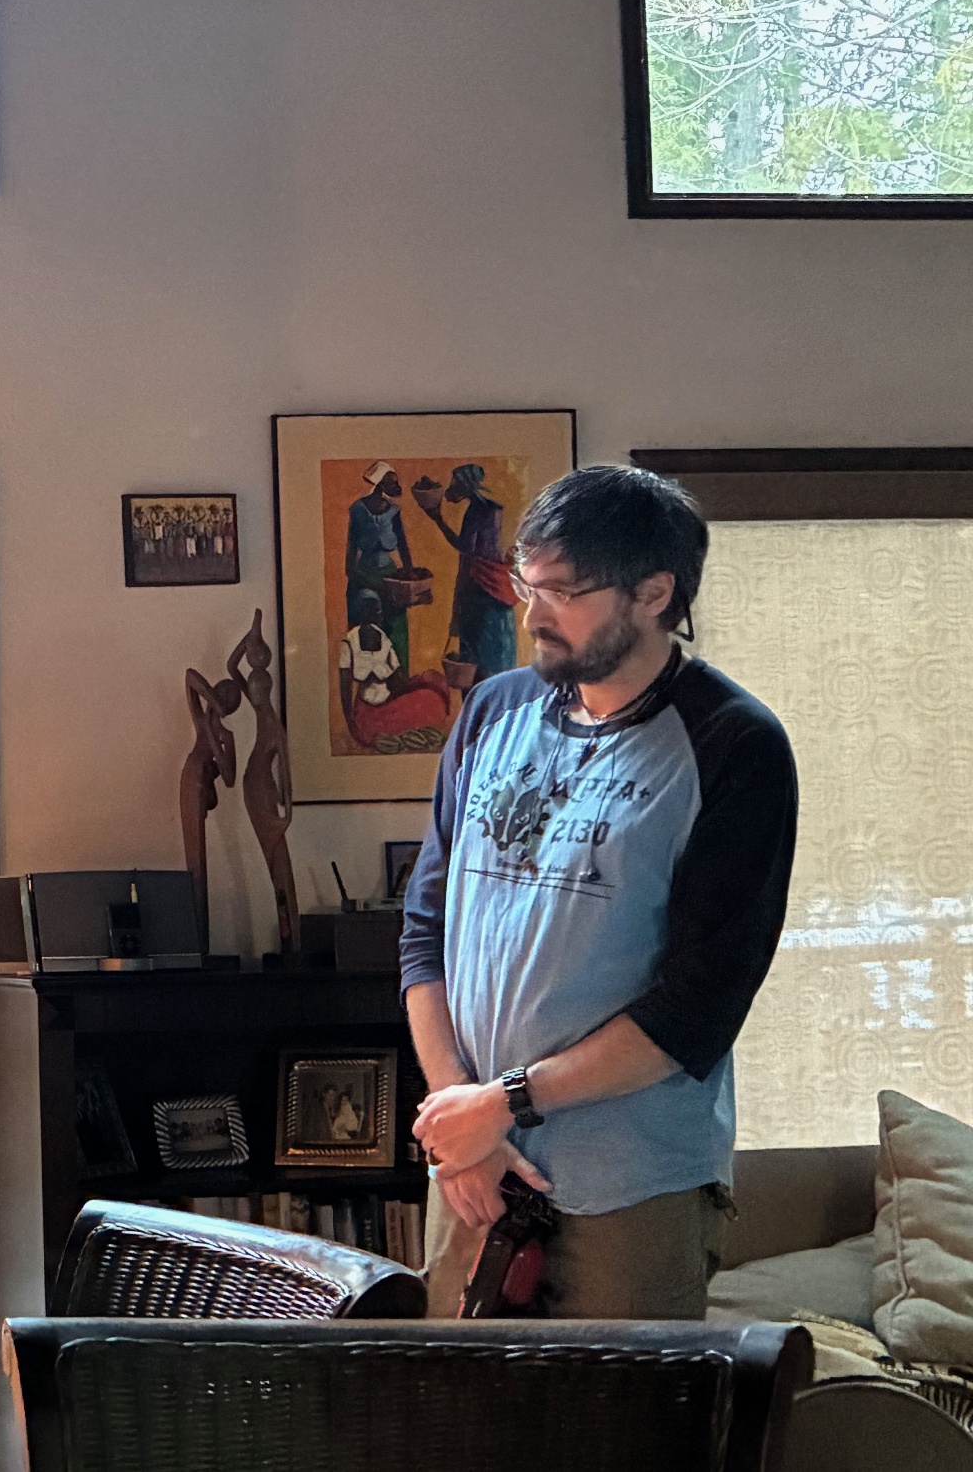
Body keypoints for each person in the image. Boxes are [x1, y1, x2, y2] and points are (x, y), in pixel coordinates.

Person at [399, 465, 797, 1319]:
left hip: (630, 1185)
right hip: (473, 1169)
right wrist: (463, 1121)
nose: (532, 615)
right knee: (454, 1402)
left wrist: (505, 1103)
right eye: (527, 585)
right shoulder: (491, 713)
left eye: (564, 593)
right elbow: (424, 932)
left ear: (654, 593)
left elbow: (699, 1004)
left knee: (623, 1403)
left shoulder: (734, 744)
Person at [418, 461, 519, 684]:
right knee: (496, 656)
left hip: (482, 587)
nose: (451, 488)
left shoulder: (479, 511)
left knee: (479, 657)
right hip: (493, 586)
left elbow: (465, 547)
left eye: (455, 483)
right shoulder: (490, 508)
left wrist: (438, 519)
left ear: (466, 485)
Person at [337, 589, 450, 751]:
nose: (380, 613)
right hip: (366, 713)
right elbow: (345, 687)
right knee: (374, 731)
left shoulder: (383, 639)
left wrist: (421, 685)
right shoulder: (349, 643)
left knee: (431, 697)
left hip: (390, 704)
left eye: (379, 609)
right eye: (375, 610)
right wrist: (350, 722)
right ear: (363, 613)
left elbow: (398, 680)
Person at [345, 461, 417, 670]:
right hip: (364, 574)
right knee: (367, 621)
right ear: (379, 484)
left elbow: (402, 544)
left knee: (396, 626)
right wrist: (355, 575)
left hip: (389, 573)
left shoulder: (394, 511)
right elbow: (351, 548)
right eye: (391, 483)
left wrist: (409, 572)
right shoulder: (358, 509)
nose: (396, 487)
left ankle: (398, 677)